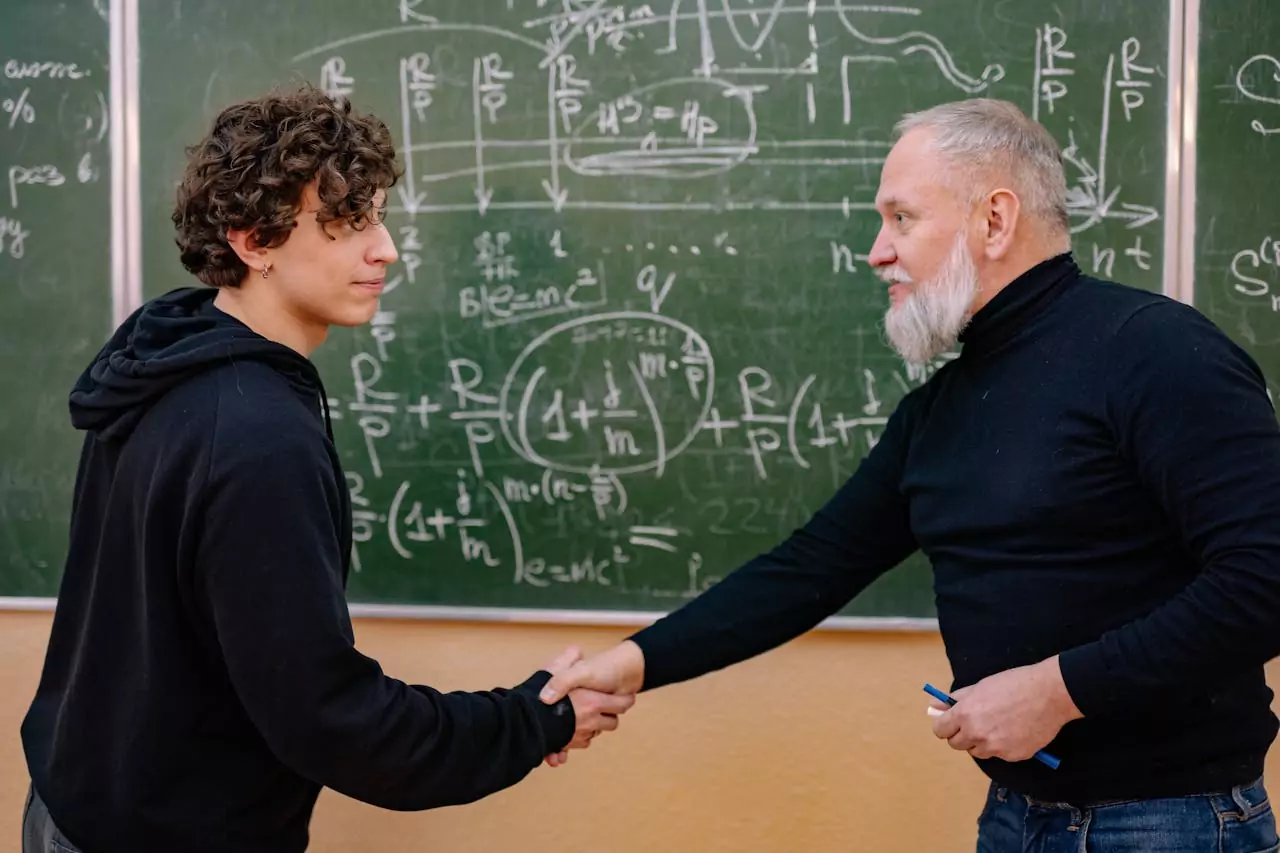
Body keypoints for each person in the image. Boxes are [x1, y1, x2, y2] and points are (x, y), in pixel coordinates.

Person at [539, 98, 1280, 850]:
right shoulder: (939, 410)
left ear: (995, 220)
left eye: (901, 219)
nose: (876, 251)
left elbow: (1266, 578)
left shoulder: (1155, 352)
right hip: (1018, 816)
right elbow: (807, 569)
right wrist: (630, 664)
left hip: (1173, 822)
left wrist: (1057, 692)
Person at [19, 84, 632, 853]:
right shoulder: (257, 437)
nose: (386, 248)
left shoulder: (166, 359)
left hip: (73, 804)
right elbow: (335, 723)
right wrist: (537, 716)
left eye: (376, 215)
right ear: (252, 239)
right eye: (347, 223)